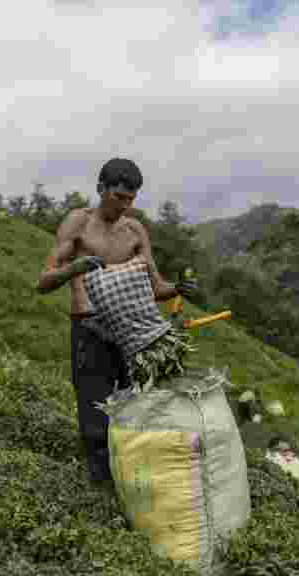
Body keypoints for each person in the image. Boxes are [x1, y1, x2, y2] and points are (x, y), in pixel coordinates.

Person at [36, 158, 198, 488]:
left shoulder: (134, 230)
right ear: (101, 189)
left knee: (137, 411)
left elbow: (156, 288)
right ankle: (100, 490)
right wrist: (75, 268)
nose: (123, 205)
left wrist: (178, 288)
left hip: (131, 334)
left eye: (130, 199)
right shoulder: (78, 224)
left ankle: (135, 487)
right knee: (95, 416)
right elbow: (44, 281)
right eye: (118, 197)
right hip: (90, 329)